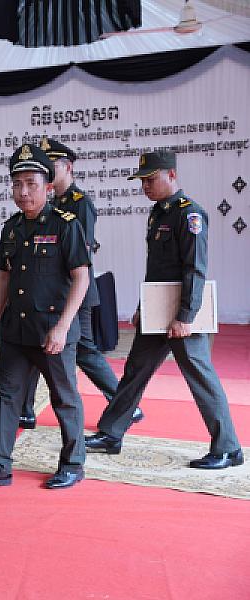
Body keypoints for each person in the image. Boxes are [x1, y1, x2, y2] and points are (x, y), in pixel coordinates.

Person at [85, 151, 243, 469]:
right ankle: (111, 433)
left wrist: (185, 317)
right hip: (157, 314)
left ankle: (228, 449)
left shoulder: (190, 215)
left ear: (171, 175)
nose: (145, 185)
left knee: (200, 376)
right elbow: (155, 270)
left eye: (151, 179)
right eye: (142, 180)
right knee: (134, 372)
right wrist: (144, 307)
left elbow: (194, 270)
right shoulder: (158, 214)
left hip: (182, 315)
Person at [0, 143, 90, 490]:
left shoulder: (66, 225)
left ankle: (72, 463)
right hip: (15, 330)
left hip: (52, 331)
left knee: (64, 398)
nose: (23, 192)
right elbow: (3, 277)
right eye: (17, 184)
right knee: (8, 396)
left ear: (48, 188)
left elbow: (81, 277)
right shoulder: (11, 227)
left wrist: (64, 327)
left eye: (31, 184)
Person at [18, 138, 141, 429]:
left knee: (84, 350)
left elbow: (78, 255)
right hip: (46, 294)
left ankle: (125, 403)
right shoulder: (51, 205)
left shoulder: (79, 203)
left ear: (68, 167)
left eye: (52, 166)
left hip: (73, 293)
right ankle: (24, 409)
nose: (46, 171)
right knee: (33, 346)